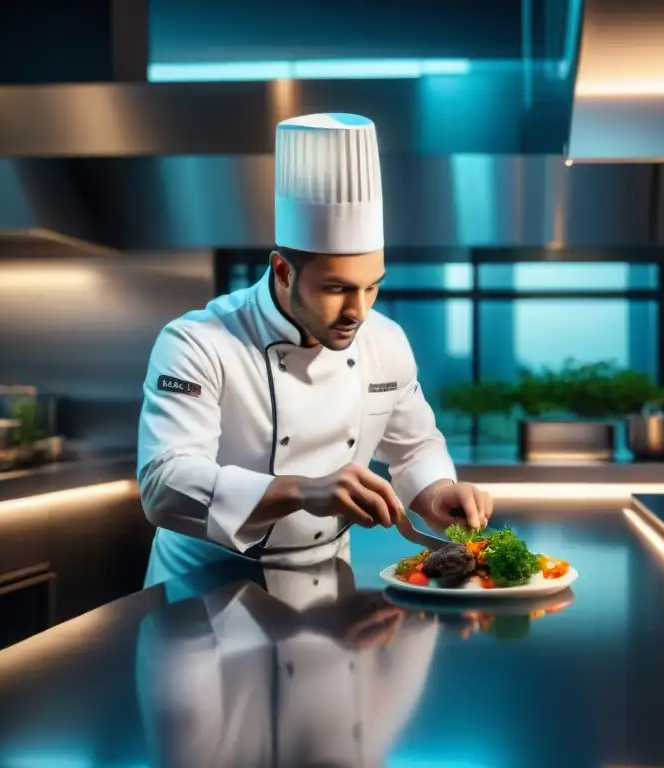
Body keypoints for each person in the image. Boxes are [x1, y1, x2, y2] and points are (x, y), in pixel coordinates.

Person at [137, 112, 493, 588]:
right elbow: (164, 486)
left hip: (328, 583)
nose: (359, 311)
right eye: (337, 288)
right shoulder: (196, 342)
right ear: (283, 271)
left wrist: (438, 493)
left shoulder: (384, 342)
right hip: (205, 590)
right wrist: (304, 490)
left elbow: (414, 447)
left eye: (372, 287)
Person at [136, 556, 439, 767]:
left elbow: (171, 639)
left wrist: (302, 623)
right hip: (330, 559)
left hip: (208, 568)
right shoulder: (375, 742)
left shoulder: (203, 760)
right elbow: (419, 625)